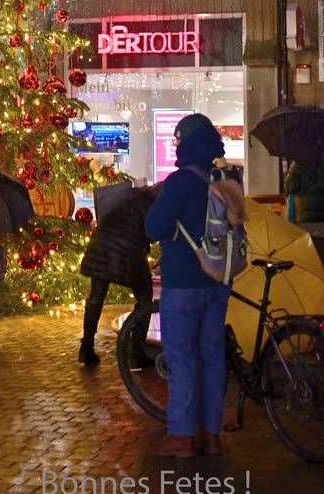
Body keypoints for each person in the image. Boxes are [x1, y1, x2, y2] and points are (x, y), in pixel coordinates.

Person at [144, 113, 230, 459]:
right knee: (211, 356)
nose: (176, 146)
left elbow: (153, 226)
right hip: (218, 280)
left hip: (183, 284)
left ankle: (181, 436)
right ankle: (211, 435)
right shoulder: (224, 178)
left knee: (181, 357)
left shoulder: (180, 182)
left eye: (178, 141)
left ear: (187, 143)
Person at [77, 184, 160, 365]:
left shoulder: (139, 195)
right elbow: (154, 230)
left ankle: (86, 347)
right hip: (127, 245)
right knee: (144, 296)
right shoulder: (161, 202)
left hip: (101, 238)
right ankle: (137, 353)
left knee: (96, 295)